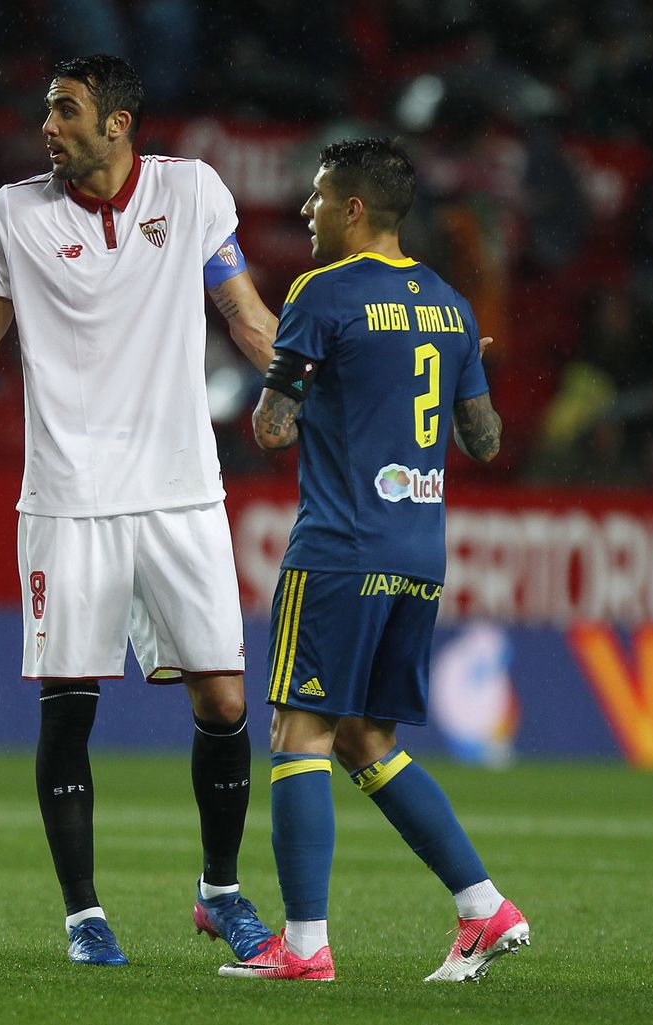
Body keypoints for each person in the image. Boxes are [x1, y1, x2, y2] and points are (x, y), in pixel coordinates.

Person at [0, 54, 280, 967]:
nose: (49, 126)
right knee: (68, 705)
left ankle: (220, 891)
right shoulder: (13, 214)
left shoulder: (193, 192)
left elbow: (244, 315)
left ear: (118, 124)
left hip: (182, 488)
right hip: (69, 496)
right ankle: (85, 915)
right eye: (47, 109)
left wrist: (335, 375)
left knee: (225, 698)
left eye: (67, 111)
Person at [218, 138, 527, 982]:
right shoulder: (451, 305)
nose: (309, 211)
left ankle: (305, 946)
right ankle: (483, 907)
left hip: (342, 545)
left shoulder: (322, 292)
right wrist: (455, 365)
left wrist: (303, 380)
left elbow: (272, 429)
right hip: (420, 550)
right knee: (367, 737)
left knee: (299, 731)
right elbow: (486, 440)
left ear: (355, 209)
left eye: (319, 197)